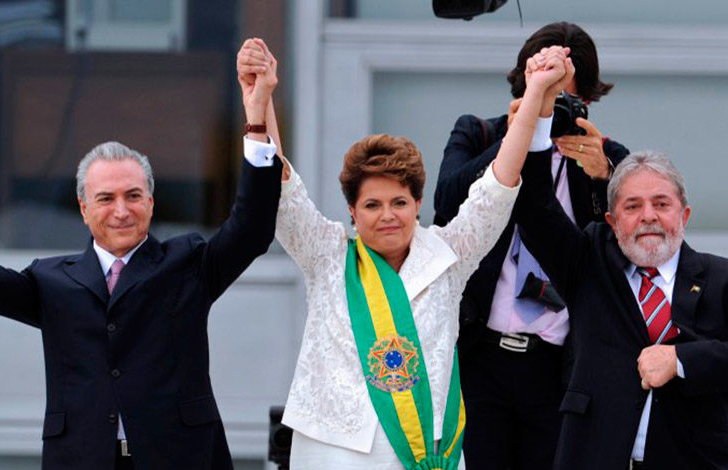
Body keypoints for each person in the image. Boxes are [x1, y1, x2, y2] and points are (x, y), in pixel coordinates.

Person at [238, 39, 572, 469]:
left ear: (418, 205)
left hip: (425, 451)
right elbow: (283, 193)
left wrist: (533, 95)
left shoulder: (449, 256)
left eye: (399, 203)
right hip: (332, 449)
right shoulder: (327, 255)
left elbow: (498, 187)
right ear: (352, 213)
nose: (387, 216)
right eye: (372, 206)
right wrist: (260, 104)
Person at [0, 41, 282, 469]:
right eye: (106, 198)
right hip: (83, 458)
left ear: (151, 201)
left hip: (179, 458)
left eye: (133, 195)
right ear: (83, 207)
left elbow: (253, 229)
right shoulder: (52, 282)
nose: (121, 210)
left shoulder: (188, 264)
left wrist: (256, 117)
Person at [433, 22, 629, 469]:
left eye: (562, 99)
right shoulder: (479, 133)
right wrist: (520, 134)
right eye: (543, 91)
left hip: (558, 365)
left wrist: (606, 176)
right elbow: (446, 202)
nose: (550, 106)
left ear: (587, 100)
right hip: (481, 354)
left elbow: (624, 250)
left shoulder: (603, 156)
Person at [515, 147, 728, 469]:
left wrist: (684, 360)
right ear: (613, 222)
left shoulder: (720, 277)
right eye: (633, 206)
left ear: (684, 215)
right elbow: (534, 206)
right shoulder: (587, 265)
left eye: (661, 204)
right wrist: (539, 121)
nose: (648, 216)